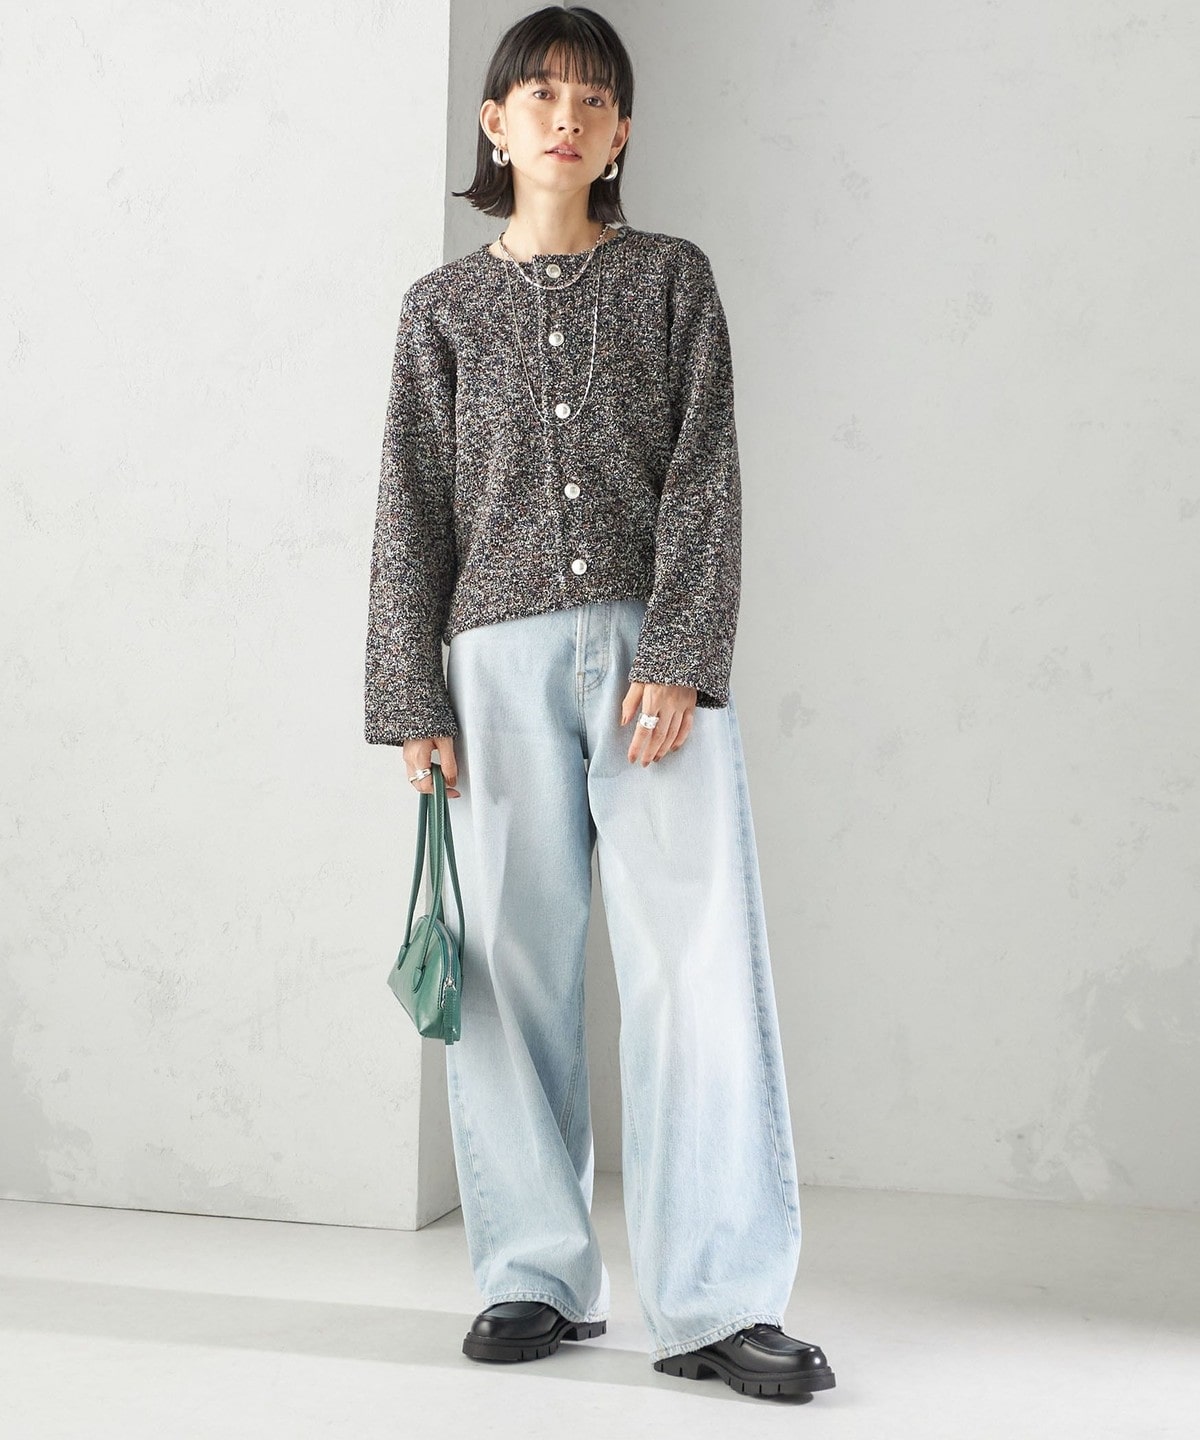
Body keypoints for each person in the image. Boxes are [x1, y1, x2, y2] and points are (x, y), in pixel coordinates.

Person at [364, 4, 837, 1402]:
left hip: (649, 666)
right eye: (539, 95)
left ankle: (719, 1300)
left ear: (622, 130)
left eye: (592, 99)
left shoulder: (672, 281)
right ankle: (533, 1274)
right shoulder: (440, 310)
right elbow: (411, 505)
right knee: (511, 972)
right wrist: (409, 694)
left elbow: (706, 475)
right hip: (491, 666)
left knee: (694, 971)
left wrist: (681, 651)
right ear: (495, 124)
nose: (564, 118)